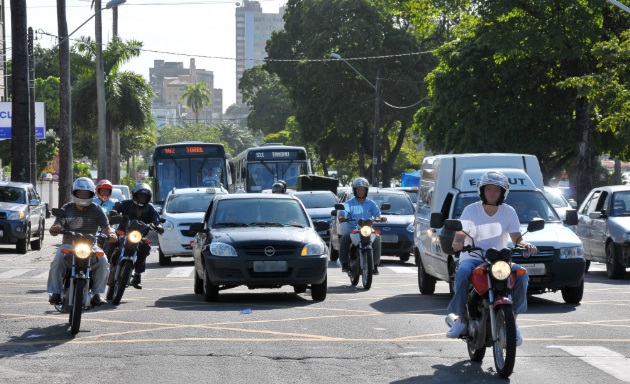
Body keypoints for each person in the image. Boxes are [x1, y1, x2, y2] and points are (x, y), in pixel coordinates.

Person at [447, 171, 537, 346]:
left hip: (499, 259)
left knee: (522, 274)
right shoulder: (471, 210)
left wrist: (526, 245)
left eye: (497, 190)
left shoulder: (508, 211)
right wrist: (457, 243)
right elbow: (460, 233)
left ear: (503, 193)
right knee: (462, 272)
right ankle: (461, 319)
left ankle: (514, 322)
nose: (492, 193)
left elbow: (516, 238)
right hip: (473, 256)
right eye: (489, 189)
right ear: (482, 191)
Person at [47, 177, 118, 306]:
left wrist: (111, 234)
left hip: (91, 245)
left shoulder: (97, 209)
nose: (83, 196)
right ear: (74, 193)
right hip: (69, 244)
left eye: (86, 194)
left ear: (91, 194)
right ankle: (56, 292)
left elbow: (106, 227)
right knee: (57, 259)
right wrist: (56, 227)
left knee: (103, 261)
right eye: (80, 193)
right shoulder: (67, 207)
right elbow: (59, 222)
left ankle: (96, 294)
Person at [109, 183, 164, 289]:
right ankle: (108, 263)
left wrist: (158, 226)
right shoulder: (126, 204)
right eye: (140, 196)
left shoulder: (150, 208)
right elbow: (117, 207)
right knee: (111, 241)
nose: (142, 199)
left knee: (145, 247)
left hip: (139, 236)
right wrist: (114, 212)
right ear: (134, 195)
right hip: (123, 232)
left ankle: (137, 275)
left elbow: (155, 219)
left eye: (144, 197)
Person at [337, 177, 387, 275]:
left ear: (366, 191)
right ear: (354, 191)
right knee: (345, 237)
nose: (361, 191)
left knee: (377, 238)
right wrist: (342, 217)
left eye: (363, 189)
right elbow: (343, 214)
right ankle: (344, 263)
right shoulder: (348, 204)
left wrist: (381, 218)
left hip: (367, 228)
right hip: (353, 228)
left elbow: (377, 214)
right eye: (358, 189)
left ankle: (375, 265)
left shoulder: (371, 203)